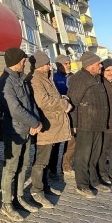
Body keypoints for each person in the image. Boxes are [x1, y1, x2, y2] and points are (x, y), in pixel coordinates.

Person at [0, 47, 42, 222]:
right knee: (11, 169)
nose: (25, 61)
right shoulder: (6, 82)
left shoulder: (20, 79)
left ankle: (19, 197)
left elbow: (30, 104)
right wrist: (34, 123)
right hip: (14, 131)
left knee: (24, 166)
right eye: (23, 59)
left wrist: (36, 122)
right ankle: (6, 204)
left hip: (27, 129)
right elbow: (15, 109)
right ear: (16, 61)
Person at [29, 50, 73, 208]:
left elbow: (52, 97)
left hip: (52, 126)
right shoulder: (36, 79)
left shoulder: (46, 77)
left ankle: (45, 187)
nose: (50, 65)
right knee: (40, 161)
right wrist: (63, 104)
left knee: (45, 161)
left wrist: (63, 98)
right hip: (45, 127)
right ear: (40, 65)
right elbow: (43, 101)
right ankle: (36, 191)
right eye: (47, 63)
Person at [67, 51, 111, 198]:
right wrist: (73, 123)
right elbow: (72, 102)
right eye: (98, 63)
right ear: (90, 65)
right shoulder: (79, 78)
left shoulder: (96, 77)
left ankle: (94, 180)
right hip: (85, 123)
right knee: (83, 156)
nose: (101, 65)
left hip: (98, 123)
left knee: (95, 155)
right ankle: (82, 185)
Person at [54, 54, 76, 177]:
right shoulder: (54, 78)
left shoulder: (74, 77)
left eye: (69, 63)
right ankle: (52, 169)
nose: (69, 65)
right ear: (59, 65)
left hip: (72, 113)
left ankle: (66, 166)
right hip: (59, 115)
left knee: (72, 141)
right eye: (65, 63)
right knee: (56, 143)